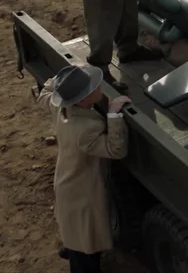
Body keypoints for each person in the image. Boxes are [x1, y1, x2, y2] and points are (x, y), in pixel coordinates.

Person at [36, 64, 130, 273]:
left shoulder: (60, 108)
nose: (98, 87)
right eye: (92, 88)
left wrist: (64, 80)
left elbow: (45, 93)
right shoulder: (86, 129)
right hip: (83, 195)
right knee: (86, 249)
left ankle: (73, 249)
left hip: (69, 185)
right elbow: (115, 150)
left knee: (76, 235)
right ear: (81, 100)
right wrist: (113, 115)